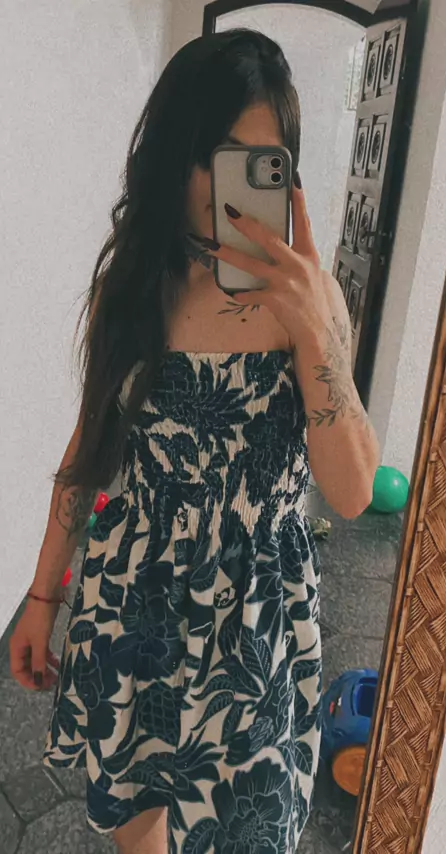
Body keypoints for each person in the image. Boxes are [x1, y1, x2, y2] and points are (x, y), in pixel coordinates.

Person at [9, 28, 379, 854]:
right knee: (138, 828)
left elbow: (354, 493)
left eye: (262, 163)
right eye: (217, 157)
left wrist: (314, 331)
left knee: (249, 830)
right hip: (136, 595)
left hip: (257, 615)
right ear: (174, 157)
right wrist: (41, 596)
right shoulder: (135, 283)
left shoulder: (313, 299)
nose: (233, 188)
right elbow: (89, 444)